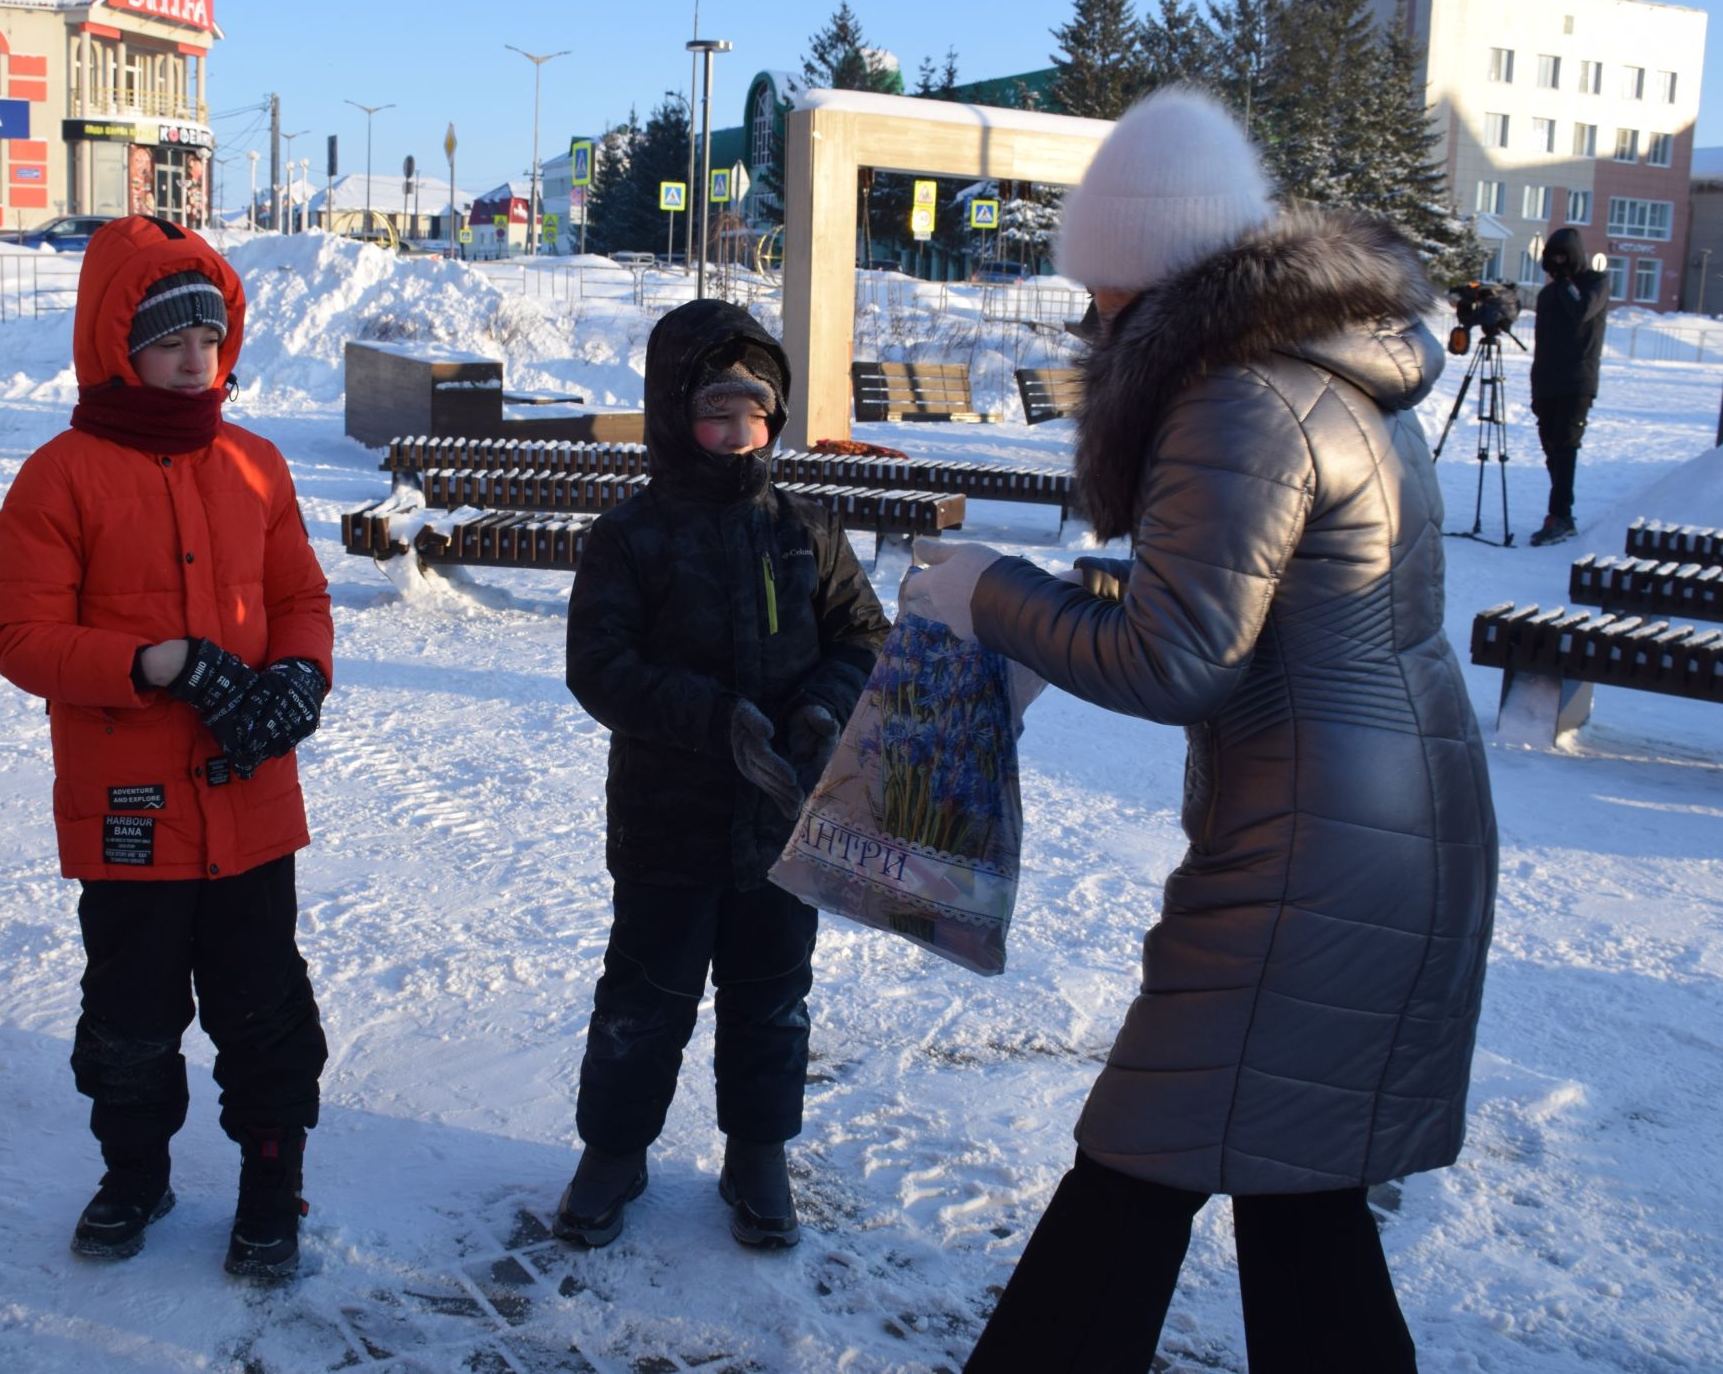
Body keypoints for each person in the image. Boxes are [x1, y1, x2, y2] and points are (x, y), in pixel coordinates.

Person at [903, 88, 1499, 1372]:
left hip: (1313, 854)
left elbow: (1175, 659)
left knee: (1142, 1153)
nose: (1088, 321)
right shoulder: (1327, 377)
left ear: (1141, 277)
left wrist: (989, 595)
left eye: (1098, 292)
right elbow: (1261, 607)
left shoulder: (1235, 403)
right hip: (1388, 816)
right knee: (1297, 1186)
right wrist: (1061, 609)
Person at [0, 215, 334, 1279]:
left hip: (251, 804)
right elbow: (18, 634)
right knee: (130, 1016)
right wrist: (159, 664)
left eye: (211, 338)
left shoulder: (256, 463)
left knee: (263, 1006)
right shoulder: (61, 476)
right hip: (127, 808)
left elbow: (299, 597)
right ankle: (134, 1172)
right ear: (115, 341)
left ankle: (273, 1186)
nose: (195, 360)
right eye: (171, 338)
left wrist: (299, 678)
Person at [558, 298, 889, 1251]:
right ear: (674, 416)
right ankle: (613, 1152)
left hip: (786, 821)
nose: (739, 434)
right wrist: (714, 719)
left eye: (757, 413)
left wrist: (822, 706)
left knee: (772, 996)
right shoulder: (632, 534)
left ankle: (758, 1151)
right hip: (669, 822)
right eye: (717, 412)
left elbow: (864, 633)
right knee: (642, 1001)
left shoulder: (804, 528)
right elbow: (600, 665)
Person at [1528, 226, 1611, 545]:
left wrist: (1565, 282)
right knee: (1551, 447)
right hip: (1546, 382)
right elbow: (1542, 342)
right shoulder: (1548, 294)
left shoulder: (1595, 284)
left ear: (1575, 256)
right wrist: (1536, 386)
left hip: (1577, 380)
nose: (1559, 263)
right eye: (1553, 258)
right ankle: (1563, 513)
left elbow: (1582, 311)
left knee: (1565, 446)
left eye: (1564, 256)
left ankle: (1559, 515)